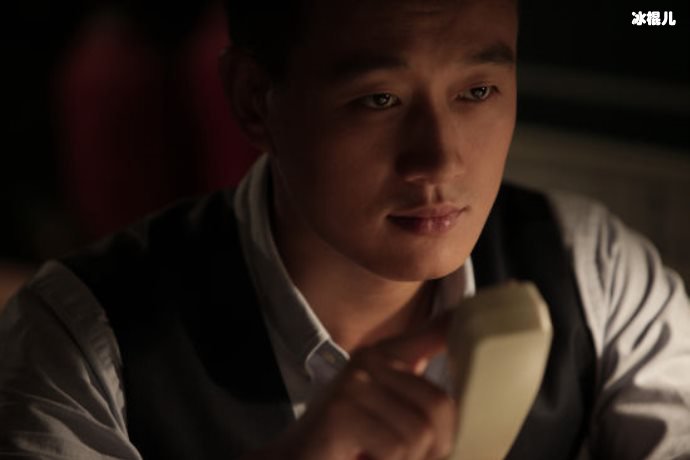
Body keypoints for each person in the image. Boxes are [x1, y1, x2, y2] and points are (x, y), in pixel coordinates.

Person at [1, 0, 689, 459]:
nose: (440, 161)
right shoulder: (80, 343)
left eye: (478, 91)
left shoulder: (597, 274)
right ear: (253, 101)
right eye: (379, 99)